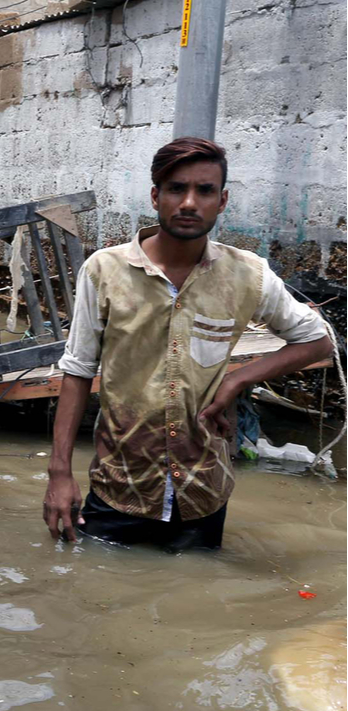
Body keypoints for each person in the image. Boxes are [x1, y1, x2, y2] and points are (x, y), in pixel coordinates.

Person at [42, 137, 331, 551]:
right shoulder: (104, 271)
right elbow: (77, 370)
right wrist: (59, 473)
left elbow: (317, 341)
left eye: (205, 190)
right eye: (177, 189)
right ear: (156, 196)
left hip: (204, 492)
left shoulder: (248, 275)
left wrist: (238, 380)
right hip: (120, 486)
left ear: (222, 200)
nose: (190, 202)